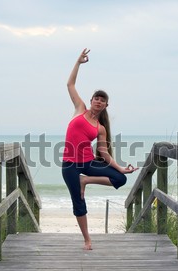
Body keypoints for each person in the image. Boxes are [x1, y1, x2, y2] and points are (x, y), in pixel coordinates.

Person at [62, 48, 138, 250]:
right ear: (91, 100)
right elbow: (70, 84)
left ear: (105, 105)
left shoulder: (100, 128)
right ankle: (87, 240)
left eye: (102, 100)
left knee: (120, 179)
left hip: (87, 163)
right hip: (69, 165)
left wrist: (120, 168)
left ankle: (85, 180)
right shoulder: (79, 109)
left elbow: (103, 153)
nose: (98, 101)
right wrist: (78, 62)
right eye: (96, 98)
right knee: (78, 203)